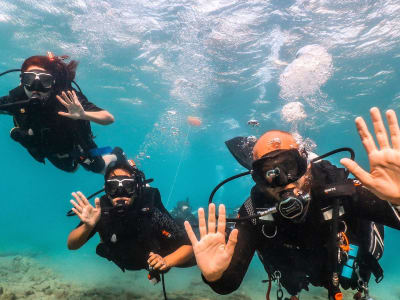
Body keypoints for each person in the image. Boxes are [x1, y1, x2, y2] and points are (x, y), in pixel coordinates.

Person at [184, 107, 400, 300]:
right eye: (268, 173)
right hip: (298, 274)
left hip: (350, 269)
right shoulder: (255, 212)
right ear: (257, 179)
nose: (283, 182)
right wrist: (214, 276)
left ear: (305, 164)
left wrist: (398, 199)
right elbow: (228, 285)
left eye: (290, 165)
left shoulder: (338, 188)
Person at [67, 159, 194, 280]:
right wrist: (87, 227)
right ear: (106, 189)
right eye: (113, 187)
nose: (120, 192)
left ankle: (187, 216)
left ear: (136, 188)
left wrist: (166, 261)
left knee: (195, 250)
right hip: (125, 258)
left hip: (156, 255)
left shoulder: (149, 209)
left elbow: (188, 246)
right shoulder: (99, 211)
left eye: (128, 186)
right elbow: (72, 245)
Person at [0, 53, 119, 173]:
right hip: (50, 150)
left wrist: (83, 115)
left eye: (44, 81)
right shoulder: (16, 99)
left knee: (99, 167)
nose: (36, 88)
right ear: (22, 80)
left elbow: (108, 118)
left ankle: (114, 154)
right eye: (29, 79)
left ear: (53, 82)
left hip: (77, 146)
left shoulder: (67, 98)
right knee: (70, 169)